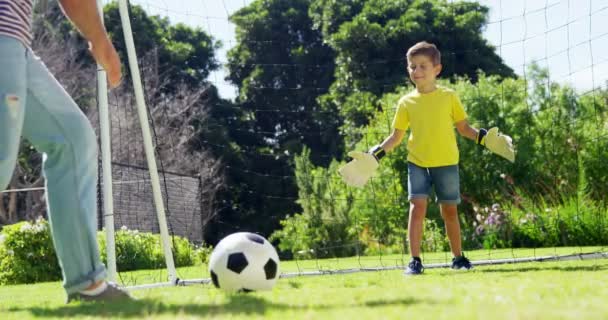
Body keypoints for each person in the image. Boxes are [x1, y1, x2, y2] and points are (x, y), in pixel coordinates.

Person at [339, 41, 515, 275]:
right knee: (417, 207)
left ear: (437, 69)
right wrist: (373, 156)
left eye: (422, 66)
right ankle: (414, 260)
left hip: (447, 162)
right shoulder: (405, 102)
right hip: (418, 163)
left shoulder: (449, 96)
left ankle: (458, 258)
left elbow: (464, 128)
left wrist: (488, 140)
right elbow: (395, 137)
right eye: (412, 67)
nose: (417, 71)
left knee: (449, 211)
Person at [0, 0, 130, 301]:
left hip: (14, 41)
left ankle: (88, 285)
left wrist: (98, 37)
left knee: (72, 139)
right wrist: (100, 40)